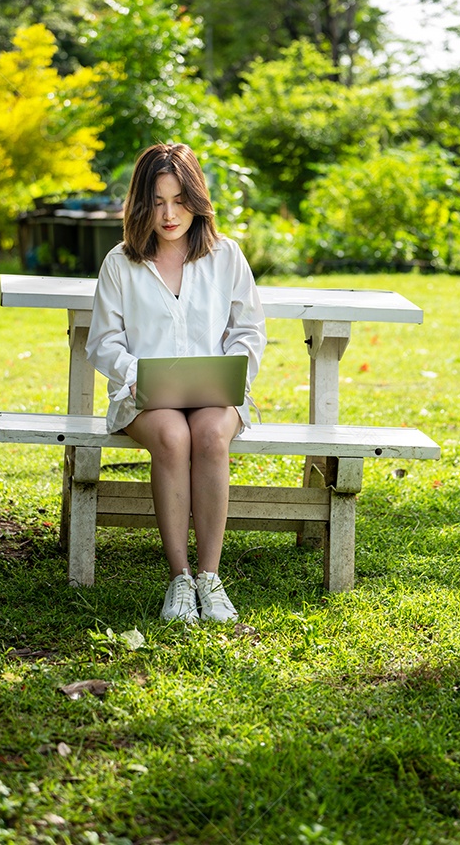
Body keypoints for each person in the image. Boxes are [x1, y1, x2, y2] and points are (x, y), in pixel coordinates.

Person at [86, 142, 266, 624]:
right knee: (172, 434)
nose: (169, 214)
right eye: (158, 202)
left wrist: (232, 374)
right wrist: (137, 375)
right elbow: (103, 343)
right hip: (143, 396)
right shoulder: (121, 263)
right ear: (141, 204)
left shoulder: (226, 257)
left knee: (208, 434)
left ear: (196, 198)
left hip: (214, 395)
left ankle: (211, 578)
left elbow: (249, 332)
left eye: (179, 200)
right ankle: (180, 579)